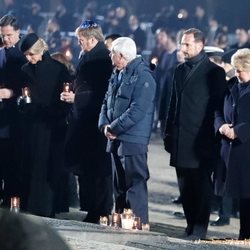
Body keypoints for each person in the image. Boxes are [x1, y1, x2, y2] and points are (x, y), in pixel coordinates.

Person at [164, 28, 227, 239]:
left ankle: (200, 227)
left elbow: (218, 108)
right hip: (180, 138)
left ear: (200, 45)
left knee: (201, 186)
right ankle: (190, 224)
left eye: (187, 44)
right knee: (184, 186)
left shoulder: (214, 73)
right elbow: (173, 104)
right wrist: (168, 133)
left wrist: (215, 140)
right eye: (182, 44)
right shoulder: (179, 71)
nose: (182, 48)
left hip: (203, 141)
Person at [98, 37, 156, 224]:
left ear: (121, 56)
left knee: (134, 183)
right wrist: (104, 125)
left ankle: (138, 223)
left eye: (112, 52)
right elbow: (107, 101)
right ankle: (121, 221)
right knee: (119, 184)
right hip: (115, 137)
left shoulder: (144, 76)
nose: (110, 55)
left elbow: (137, 111)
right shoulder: (117, 73)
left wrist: (114, 128)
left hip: (132, 140)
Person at [60, 20, 113, 223]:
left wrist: (77, 98)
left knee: (99, 168)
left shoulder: (102, 60)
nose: (79, 43)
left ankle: (101, 210)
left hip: (95, 121)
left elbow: (102, 93)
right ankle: (91, 207)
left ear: (92, 39)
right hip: (83, 120)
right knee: (88, 167)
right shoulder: (86, 55)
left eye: (81, 40)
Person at [18, 32, 71, 217]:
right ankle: (29, 205)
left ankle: (48, 208)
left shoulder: (58, 69)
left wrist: (54, 113)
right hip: (31, 127)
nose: (28, 58)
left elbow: (65, 98)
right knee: (31, 166)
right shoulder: (25, 69)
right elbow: (23, 95)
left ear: (40, 50)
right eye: (26, 55)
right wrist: (24, 104)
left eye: (31, 54)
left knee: (49, 167)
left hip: (52, 127)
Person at [215, 48, 250, 240]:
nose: (236, 73)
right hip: (228, 150)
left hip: (246, 150)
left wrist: (238, 131)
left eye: (241, 70)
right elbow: (217, 111)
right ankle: (243, 235)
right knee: (236, 194)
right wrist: (221, 126)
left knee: (248, 198)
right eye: (235, 69)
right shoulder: (230, 86)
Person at [0, 14, 28, 208]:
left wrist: (11, 92)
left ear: (18, 32)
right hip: (2, 114)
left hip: (16, 116)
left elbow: (31, 84)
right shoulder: (2, 52)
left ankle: (12, 198)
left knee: (12, 159)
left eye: (9, 35)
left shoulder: (25, 53)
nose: (6, 39)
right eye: (3, 35)